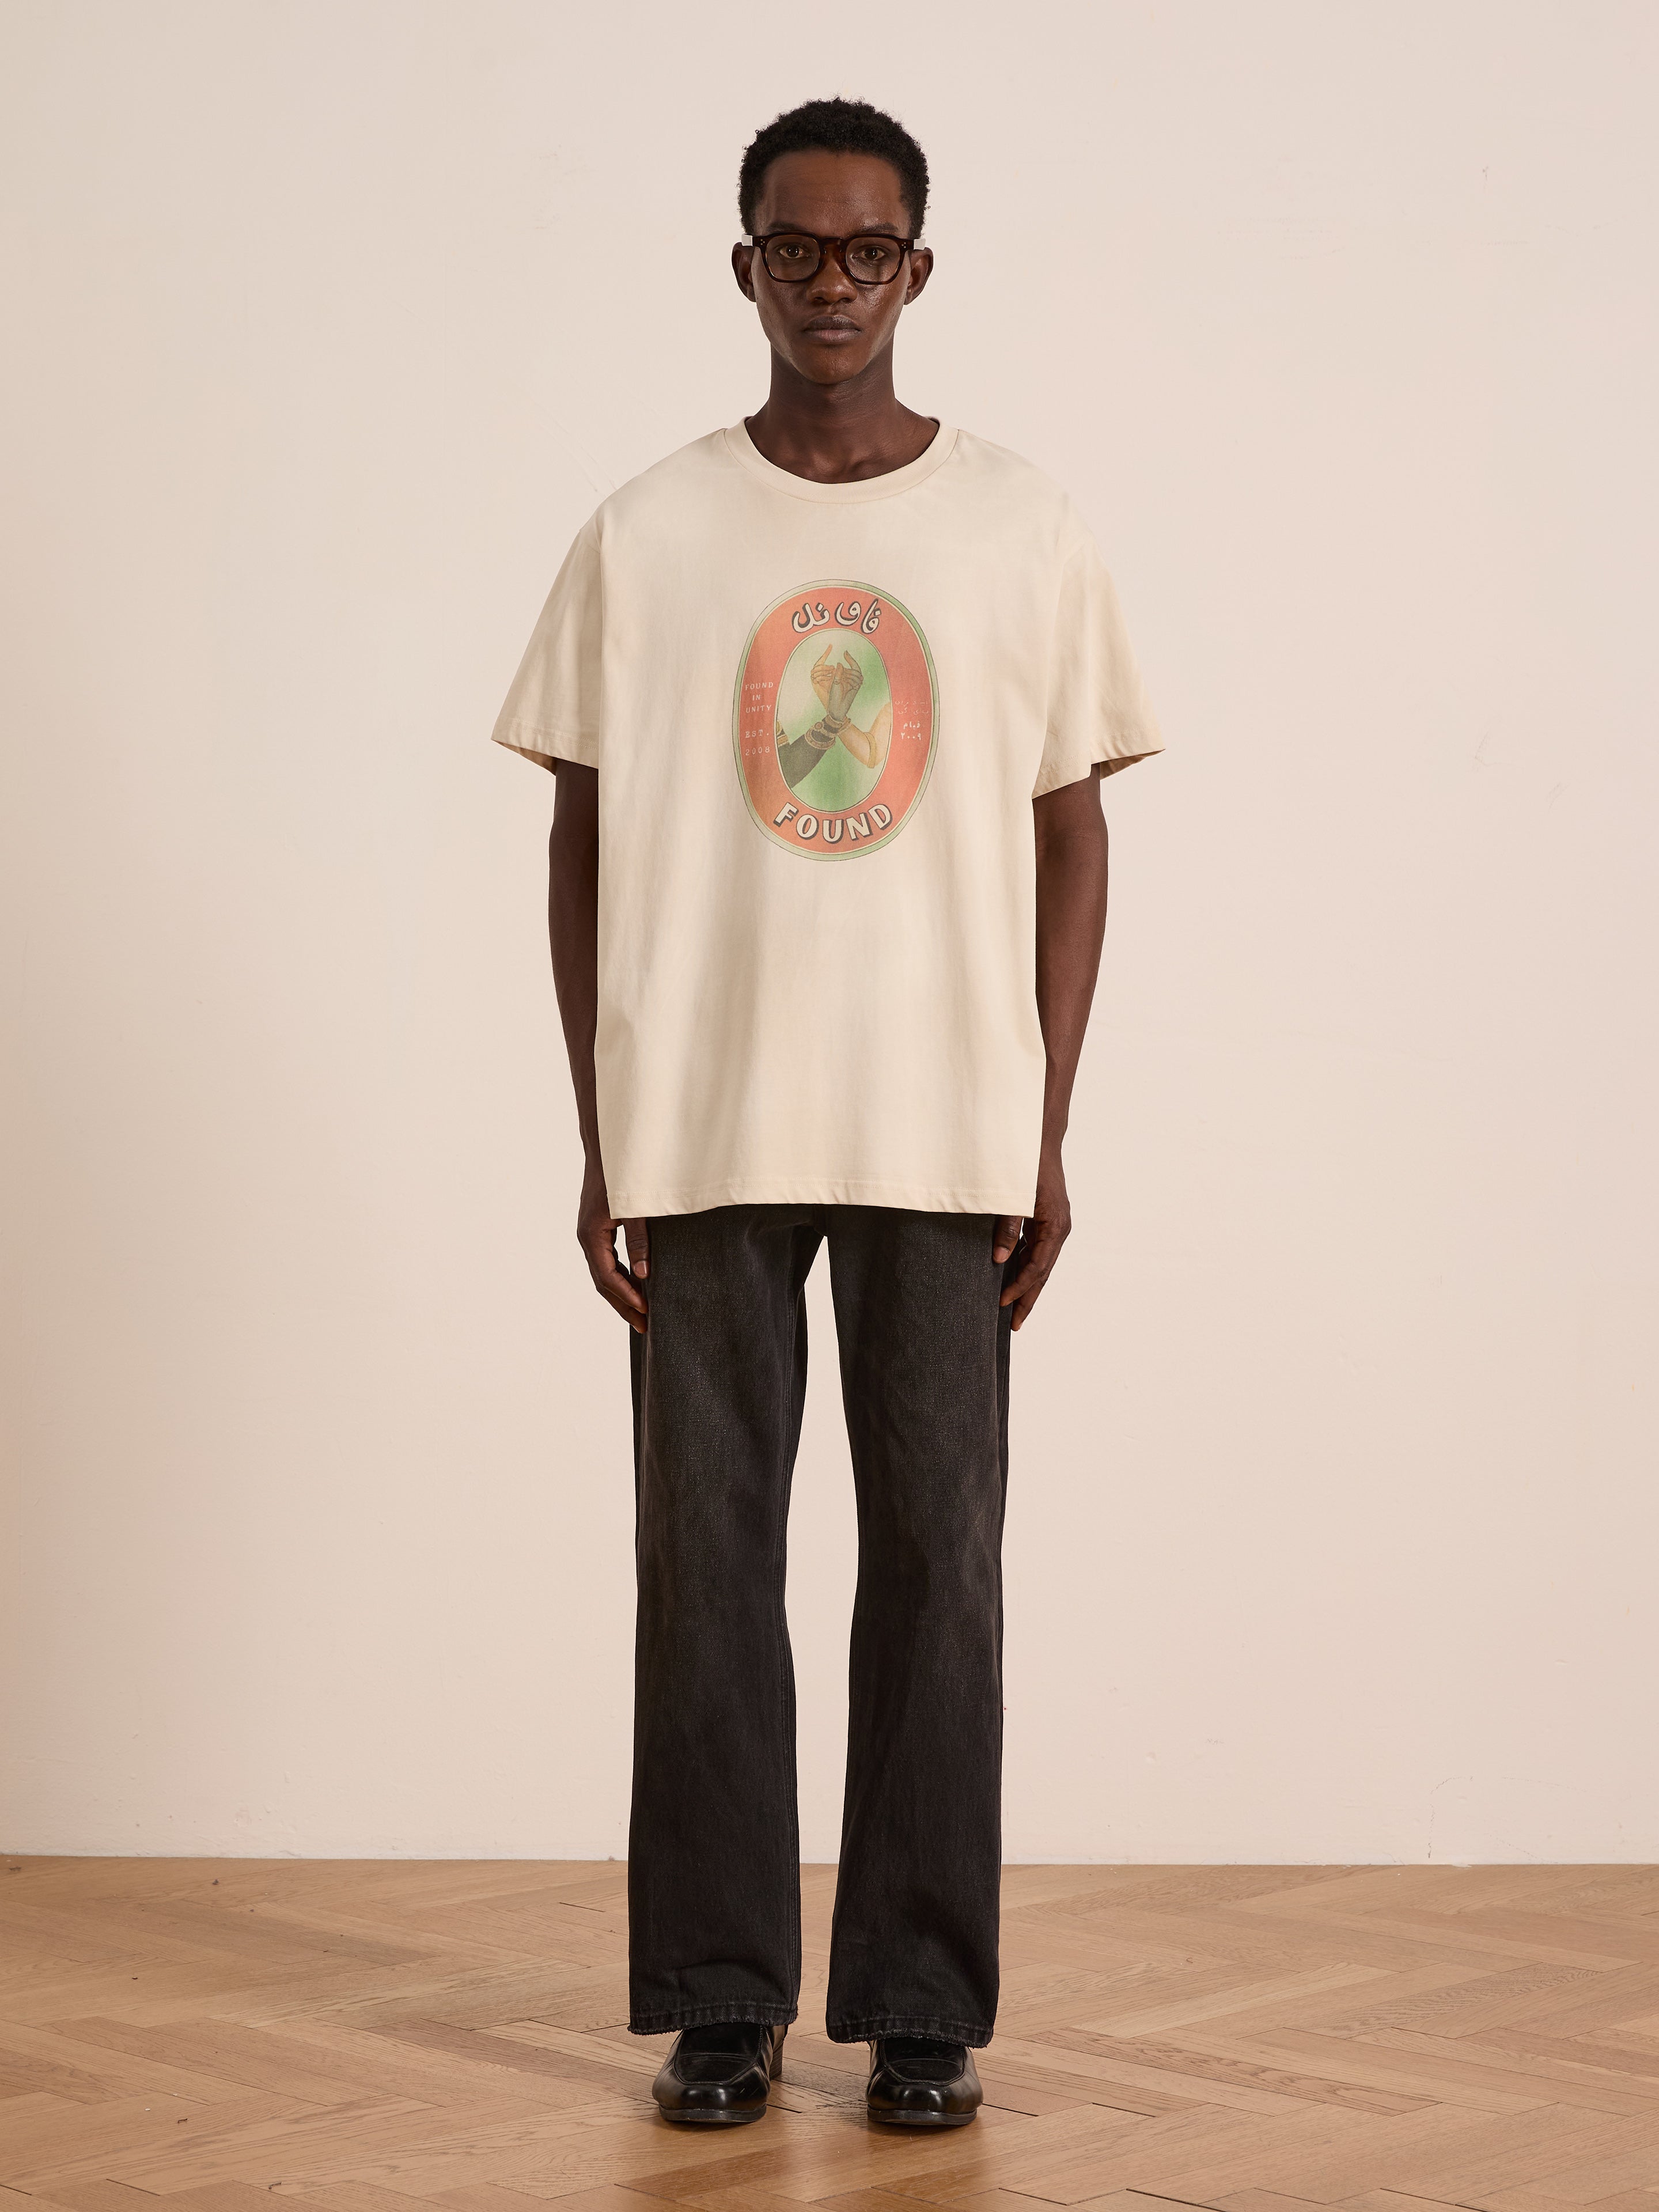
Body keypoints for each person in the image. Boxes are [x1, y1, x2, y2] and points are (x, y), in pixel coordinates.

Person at [490, 96, 1163, 2131]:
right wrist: (606, 1116)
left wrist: (1043, 1120)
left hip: (943, 1123)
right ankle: (721, 1995)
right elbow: (581, 839)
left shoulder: (1021, 526)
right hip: (703, 1120)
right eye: (800, 249)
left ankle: (925, 2003)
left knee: (939, 1570)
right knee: (707, 1572)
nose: (837, 284)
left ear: (922, 272)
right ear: (746, 270)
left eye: (873, 251)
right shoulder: (651, 530)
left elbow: (1071, 839)